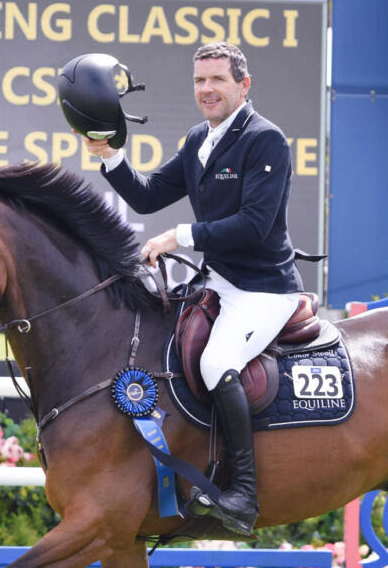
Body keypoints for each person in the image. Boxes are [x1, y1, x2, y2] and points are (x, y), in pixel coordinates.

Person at [82, 42, 303, 536]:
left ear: (243, 86)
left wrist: (180, 236)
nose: (207, 89)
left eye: (218, 80)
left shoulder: (265, 140)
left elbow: (255, 223)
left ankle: (243, 493)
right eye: (200, 80)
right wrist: (111, 158)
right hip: (220, 283)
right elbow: (147, 195)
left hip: (264, 288)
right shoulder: (198, 140)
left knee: (215, 361)